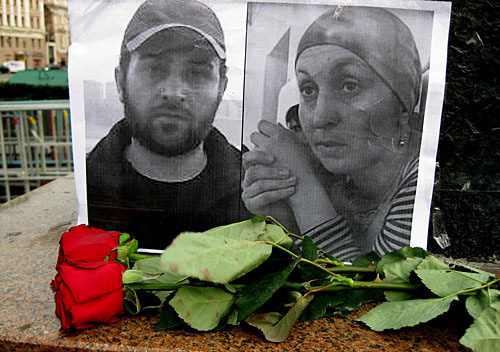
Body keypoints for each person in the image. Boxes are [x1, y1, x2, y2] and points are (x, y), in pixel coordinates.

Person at [242, 6, 422, 261]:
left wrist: (301, 185)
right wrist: (285, 219)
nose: (320, 118)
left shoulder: (423, 182)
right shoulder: (343, 182)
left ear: (402, 106)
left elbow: (366, 292)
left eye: (350, 85)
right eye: (308, 89)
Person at [86, 0, 250, 249]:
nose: (173, 93)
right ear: (121, 83)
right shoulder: (88, 187)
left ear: (221, 88)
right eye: (154, 68)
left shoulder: (253, 189)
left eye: (196, 73)